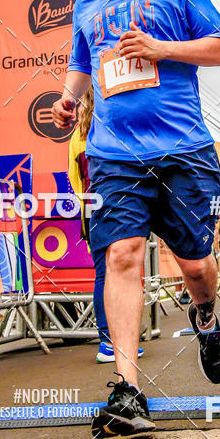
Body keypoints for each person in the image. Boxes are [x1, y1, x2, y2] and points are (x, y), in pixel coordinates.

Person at [51, 0, 220, 438]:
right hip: (114, 156)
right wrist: (67, 101)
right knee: (123, 254)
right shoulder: (86, 5)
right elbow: (81, 70)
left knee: (195, 266)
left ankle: (205, 317)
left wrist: (160, 48)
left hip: (183, 150)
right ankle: (128, 388)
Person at [68, 89, 144, 364]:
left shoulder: (77, 138)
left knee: (105, 273)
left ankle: (112, 341)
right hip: (122, 204)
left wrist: (87, 204)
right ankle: (114, 342)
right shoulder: (114, 129)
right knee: (121, 272)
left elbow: (74, 179)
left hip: (92, 208)